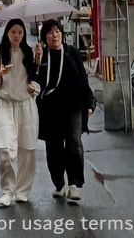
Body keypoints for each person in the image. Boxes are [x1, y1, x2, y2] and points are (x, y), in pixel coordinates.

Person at [35, 18, 95, 205]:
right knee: (53, 147)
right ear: (44, 37)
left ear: (62, 33)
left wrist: (90, 102)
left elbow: (83, 78)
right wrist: (37, 63)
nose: (55, 34)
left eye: (57, 31)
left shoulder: (72, 53)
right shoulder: (41, 56)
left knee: (74, 143)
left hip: (73, 106)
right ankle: (59, 183)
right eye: (50, 32)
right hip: (50, 108)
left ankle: (74, 185)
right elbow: (36, 82)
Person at [0, 18, 40, 208]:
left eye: (20, 32)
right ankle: (7, 191)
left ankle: (23, 190)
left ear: (24, 35)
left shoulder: (30, 52)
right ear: (7, 33)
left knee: (27, 149)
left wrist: (35, 85)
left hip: (26, 104)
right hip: (4, 104)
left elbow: (35, 80)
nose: (17, 35)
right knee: (5, 150)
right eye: (13, 32)